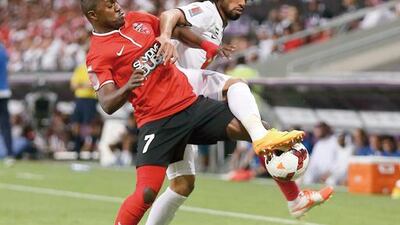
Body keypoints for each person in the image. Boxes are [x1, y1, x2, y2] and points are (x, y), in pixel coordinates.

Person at [81, 0, 305, 224]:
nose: (118, 6)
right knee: (148, 192)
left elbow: (176, 30)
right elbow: (107, 103)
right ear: (93, 15)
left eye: (115, 2)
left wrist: (207, 46)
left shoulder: (137, 19)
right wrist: (127, 86)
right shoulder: (98, 54)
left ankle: (295, 198)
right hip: (157, 121)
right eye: (109, 6)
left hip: (191, 104)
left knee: (258, 130)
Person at [146, 1, 333, 223]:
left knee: (182, 185)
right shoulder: (207, 10)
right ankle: (291, 191)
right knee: (237, 87)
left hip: (177, 103)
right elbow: (169, 15)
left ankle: (295, 199)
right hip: (174, 85)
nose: (242, 3)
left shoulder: (218, 22)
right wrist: (165, 37)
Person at [70, 63, 98, 158]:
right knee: (76, 125)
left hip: (91, 99)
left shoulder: (96, 67)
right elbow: (73, 85)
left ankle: (91, 149)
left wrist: (81, 84)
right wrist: (84, 84)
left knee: (91, 126)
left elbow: (93, 84)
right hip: (80, 99)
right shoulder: (81, 68)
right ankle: (77, 149)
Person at [0, 42, 14, 164]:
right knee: (5, 125)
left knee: (5, 124)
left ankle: (9, 153)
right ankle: (10, 153)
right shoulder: (3, 49)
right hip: (4, 91)